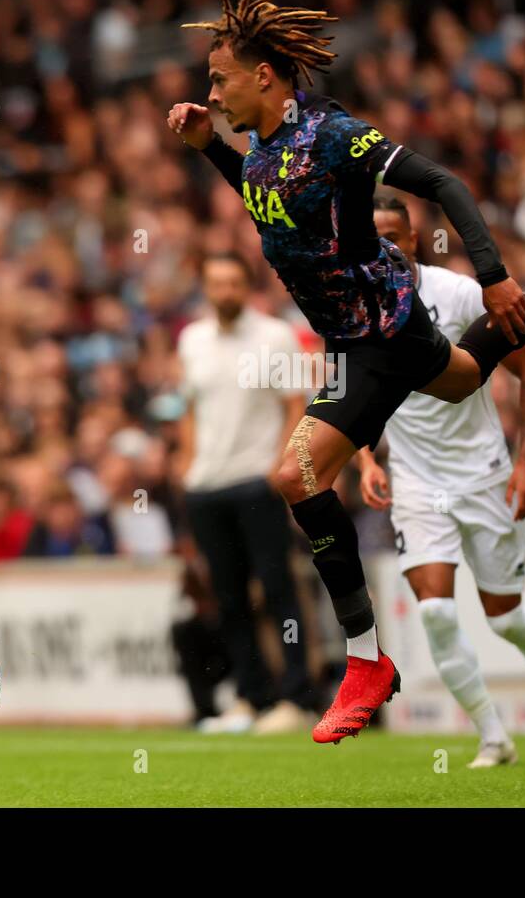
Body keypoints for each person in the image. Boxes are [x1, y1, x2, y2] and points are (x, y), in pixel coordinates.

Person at [168, 0, 525, 744]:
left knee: (296, 473)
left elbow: (444, 183)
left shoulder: (333, 134)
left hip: (383, 330)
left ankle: (365, 662)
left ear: (263, 75)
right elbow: (265, 199)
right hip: (361, 340)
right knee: (460, 378)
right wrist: (208, 149)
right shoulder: (257, 148)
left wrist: (491, 275)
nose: (210, 93)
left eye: (218, 81)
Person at [354, 196, 525, 768]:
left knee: (504, 618)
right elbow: (351, 390)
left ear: (411, 238)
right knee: (434, 611)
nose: (383, 244)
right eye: (370, 234)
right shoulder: (352, 306)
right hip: (415, 479)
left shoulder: (455, 294)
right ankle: (492, 736)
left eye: (392, 234)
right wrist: (366, 459)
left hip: (482, 473)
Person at [178, 253, 317, 733]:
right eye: (216, 283)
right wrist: (187, 466)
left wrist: (278, 470)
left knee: (278, 592)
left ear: (247, 287)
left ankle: (297, 699)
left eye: (234, 283)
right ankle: (251, 697)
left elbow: (295, 407)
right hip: (206, 485)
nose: (225, 291)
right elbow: (191, 409)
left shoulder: (274, 336)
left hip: (255, 480)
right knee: (228, 598)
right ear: (206, 288)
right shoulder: (191, 339)